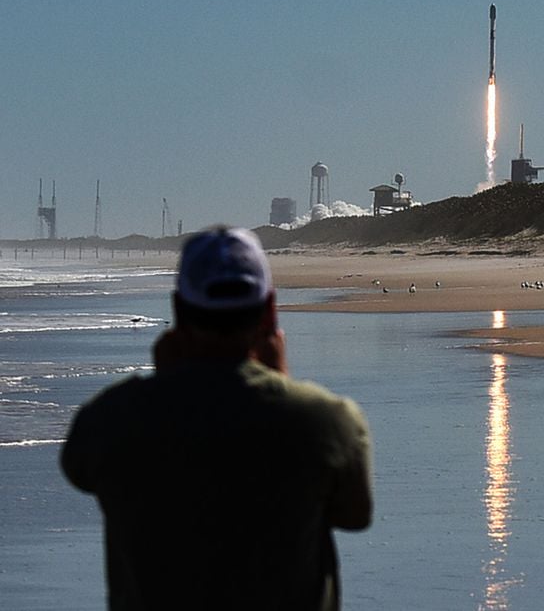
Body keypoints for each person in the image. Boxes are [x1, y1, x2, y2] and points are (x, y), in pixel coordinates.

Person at [62, 227, 372, 611]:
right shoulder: (327, 420)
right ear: (270, 310)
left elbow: (79, 469)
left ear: (178, 310)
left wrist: (165, 386)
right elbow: (355, 514)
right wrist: (281, 383)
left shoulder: (110, 420)